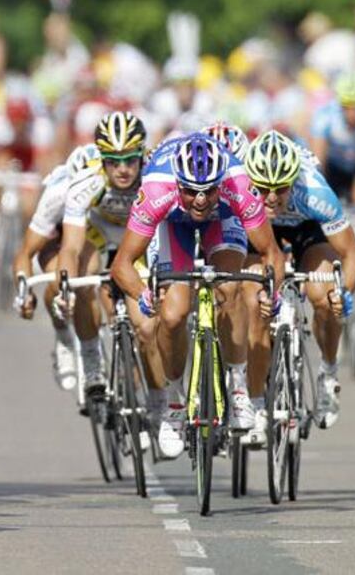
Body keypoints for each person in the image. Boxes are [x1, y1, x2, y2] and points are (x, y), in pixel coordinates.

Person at [110, 133, 285, 445]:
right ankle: (174, 403)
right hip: (173, 224)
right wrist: (143, 294)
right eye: (192, 191)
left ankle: (238, 385)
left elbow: (271, 251)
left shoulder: (238, 185)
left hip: (224, 219)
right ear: (178, 184)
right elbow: (122, 263)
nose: (201, 199)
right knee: (173, 313)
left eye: (208, 190)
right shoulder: (155, 189)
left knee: (229, 286)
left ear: (221, 183)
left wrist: (274, 294)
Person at [52, 111, 170, 455]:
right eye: (113, 161)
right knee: (83, 279)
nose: (123, 169)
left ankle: (158, 399)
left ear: (142, 156)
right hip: (101, 236)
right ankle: (91, 357)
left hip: (143, 241)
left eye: (130, 159)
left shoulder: (154, 180)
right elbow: (71, 246)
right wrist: (66, 285)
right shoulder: (84, 184)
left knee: (145, 326)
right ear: (101, 159)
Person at [241, 131, 355, 437]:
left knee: (324, 297)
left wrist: (343, 294)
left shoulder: (315, 192)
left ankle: (328, 373)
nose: (271, 197)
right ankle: (255, 400)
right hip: (260, 231)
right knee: (254, 302)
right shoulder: (240, 191)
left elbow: (354, 255)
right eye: (263, 188)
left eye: (280, 189)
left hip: (307, 230)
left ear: (293, 182)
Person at [12, 143, 101, 393]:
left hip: (94, 237)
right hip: (57, 238)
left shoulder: (110, 187)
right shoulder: (56, 194)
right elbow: (26, 252)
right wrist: (23, 292)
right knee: (59, 282)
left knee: (88, 280)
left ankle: (95, 347)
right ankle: (63, 337)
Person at [310, 71, 355, 253]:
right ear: (340, 105)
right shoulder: (325, 116)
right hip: (334, 169)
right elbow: (317, 162)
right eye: (349, 107)